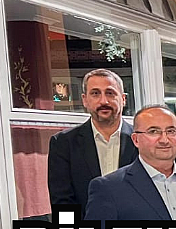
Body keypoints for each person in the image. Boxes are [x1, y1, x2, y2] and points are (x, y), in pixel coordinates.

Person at [47, 68, 136, 209]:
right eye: (95, 93)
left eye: (110, 93)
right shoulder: (64, 143)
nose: (103, 101)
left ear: (123, 99)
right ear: (85, 100)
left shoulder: (142, 140)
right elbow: (62, 203)